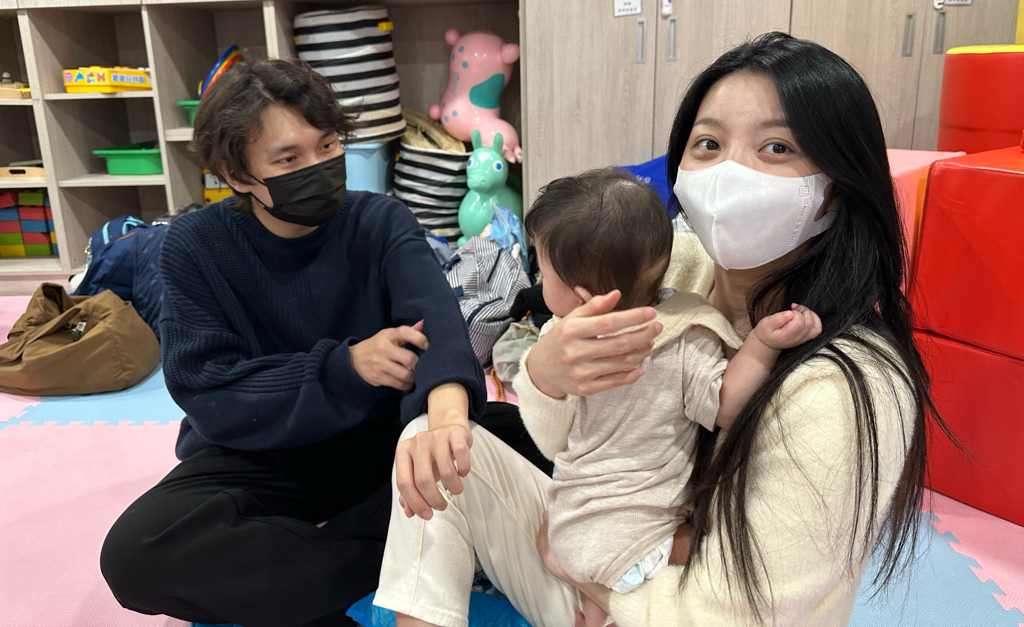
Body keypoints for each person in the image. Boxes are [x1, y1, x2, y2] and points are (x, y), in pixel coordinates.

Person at [373, 32, 944, 627]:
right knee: (433, 448)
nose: (730, 172)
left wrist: (580, 569)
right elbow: (564, 443)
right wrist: (544, 376)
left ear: (834, 191)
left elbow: (739, 612)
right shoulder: (672, 273)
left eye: (776, 147)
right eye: (709, 143)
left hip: (668, 603)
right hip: (615, 551)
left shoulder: (847, 385)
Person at [98, 57, 544, 627]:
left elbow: (435, 320)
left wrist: (447, 422)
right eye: (288, 159)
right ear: (236, 174)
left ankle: (329, 569)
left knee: (540, 439)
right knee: (139, 554)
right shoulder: (195, 244)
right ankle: (395, 557)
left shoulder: (379, 220)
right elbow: (209, 390)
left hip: (382, 443)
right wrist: (344, 367)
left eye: (328, 146)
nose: (317, 167)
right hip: (263, 453)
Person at [521, 168, 822, 627]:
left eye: (541, 272)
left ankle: (595, 612)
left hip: (574, 520)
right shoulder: (686, 333)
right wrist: (762, 344)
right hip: (639, 536)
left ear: (582, 300)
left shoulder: (564, 343)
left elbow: (551, 444)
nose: (538, 281)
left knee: (627, 572)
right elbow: (727, 406)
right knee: (705, 543)